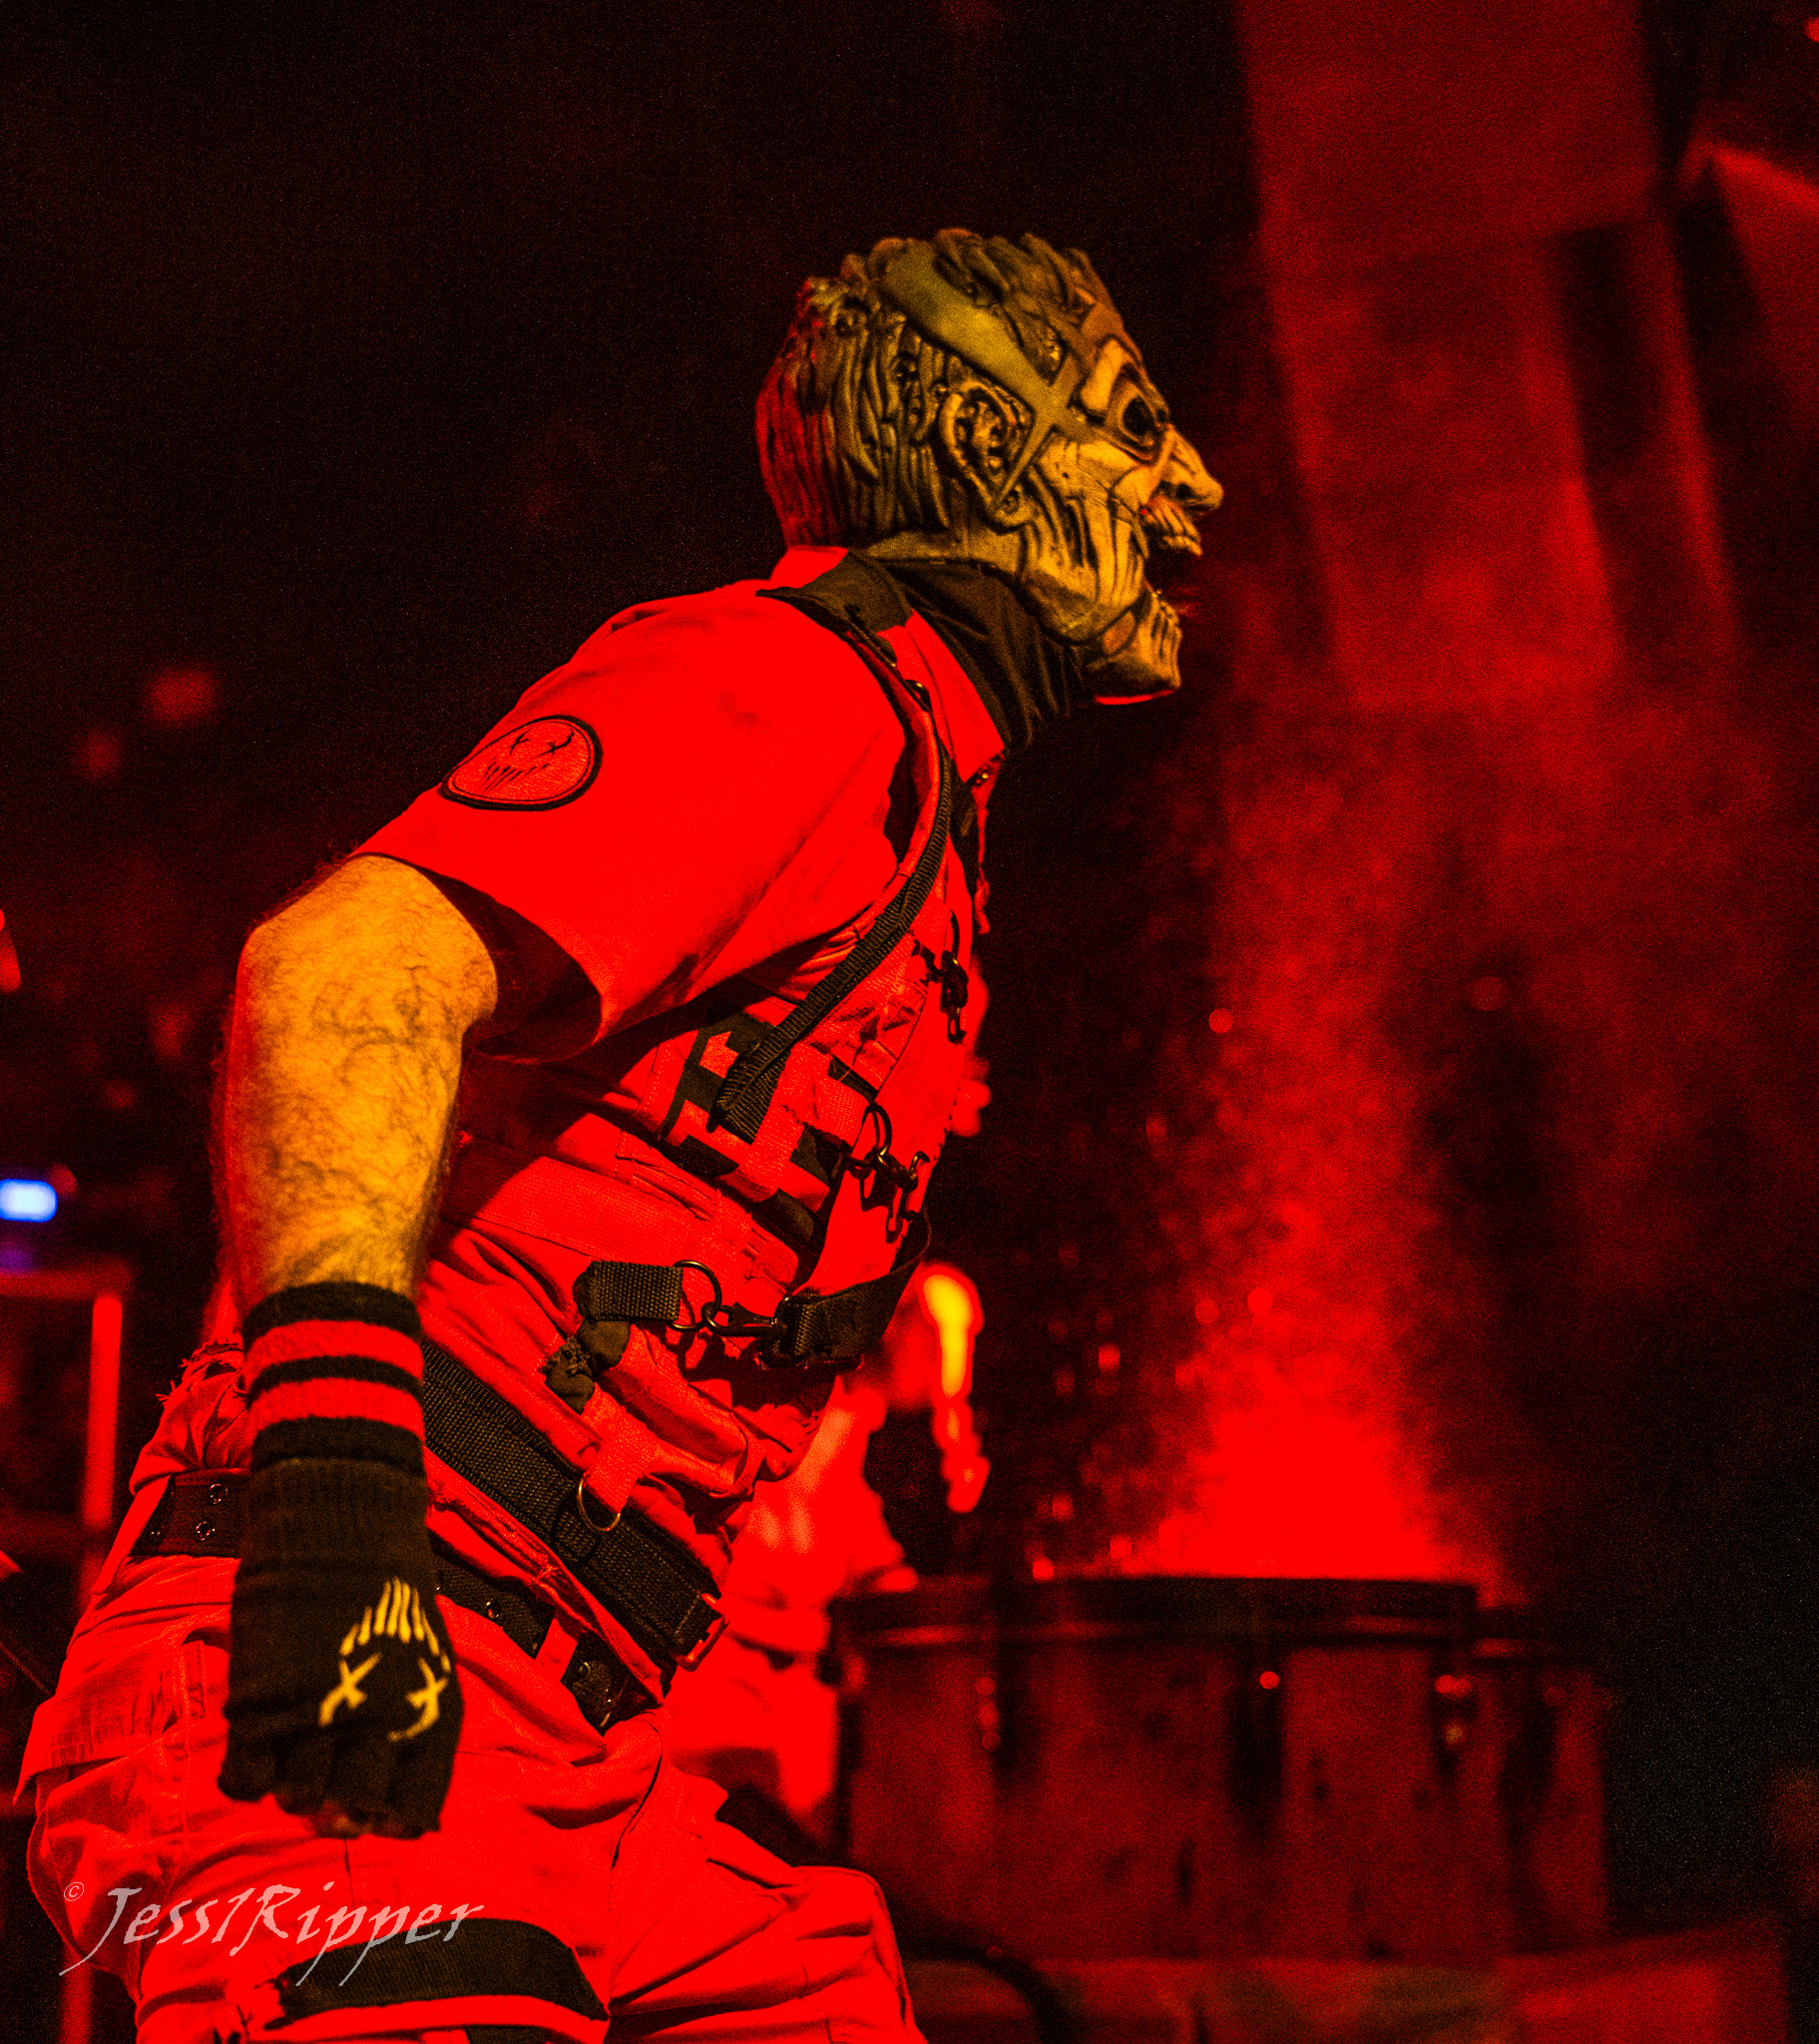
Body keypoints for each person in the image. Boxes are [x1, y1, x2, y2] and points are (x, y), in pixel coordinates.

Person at [22, 231, 1219, 2044]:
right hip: (358, 1665)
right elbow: (340, 973)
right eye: (1130, 426)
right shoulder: (795, 686)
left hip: (557, 1741)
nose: (1191, 483)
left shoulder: (915, 784)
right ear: (987, 452)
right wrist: (341, 1519)